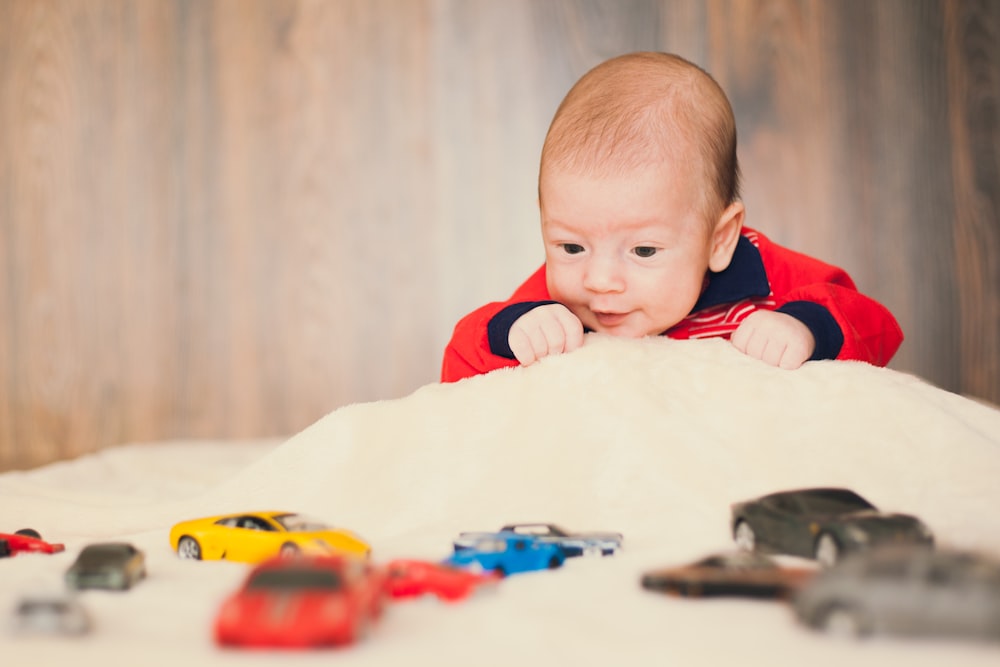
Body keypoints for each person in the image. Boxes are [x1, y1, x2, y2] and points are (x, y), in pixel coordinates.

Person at [441, 52, 902, 383]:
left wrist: (806, 328)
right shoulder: (553, 302)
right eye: (571, 247)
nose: (599, 280)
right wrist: (511, 331)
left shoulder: (769, 278)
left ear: (719, 240)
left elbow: (873, 327)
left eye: (643, 250)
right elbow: (461, 363)